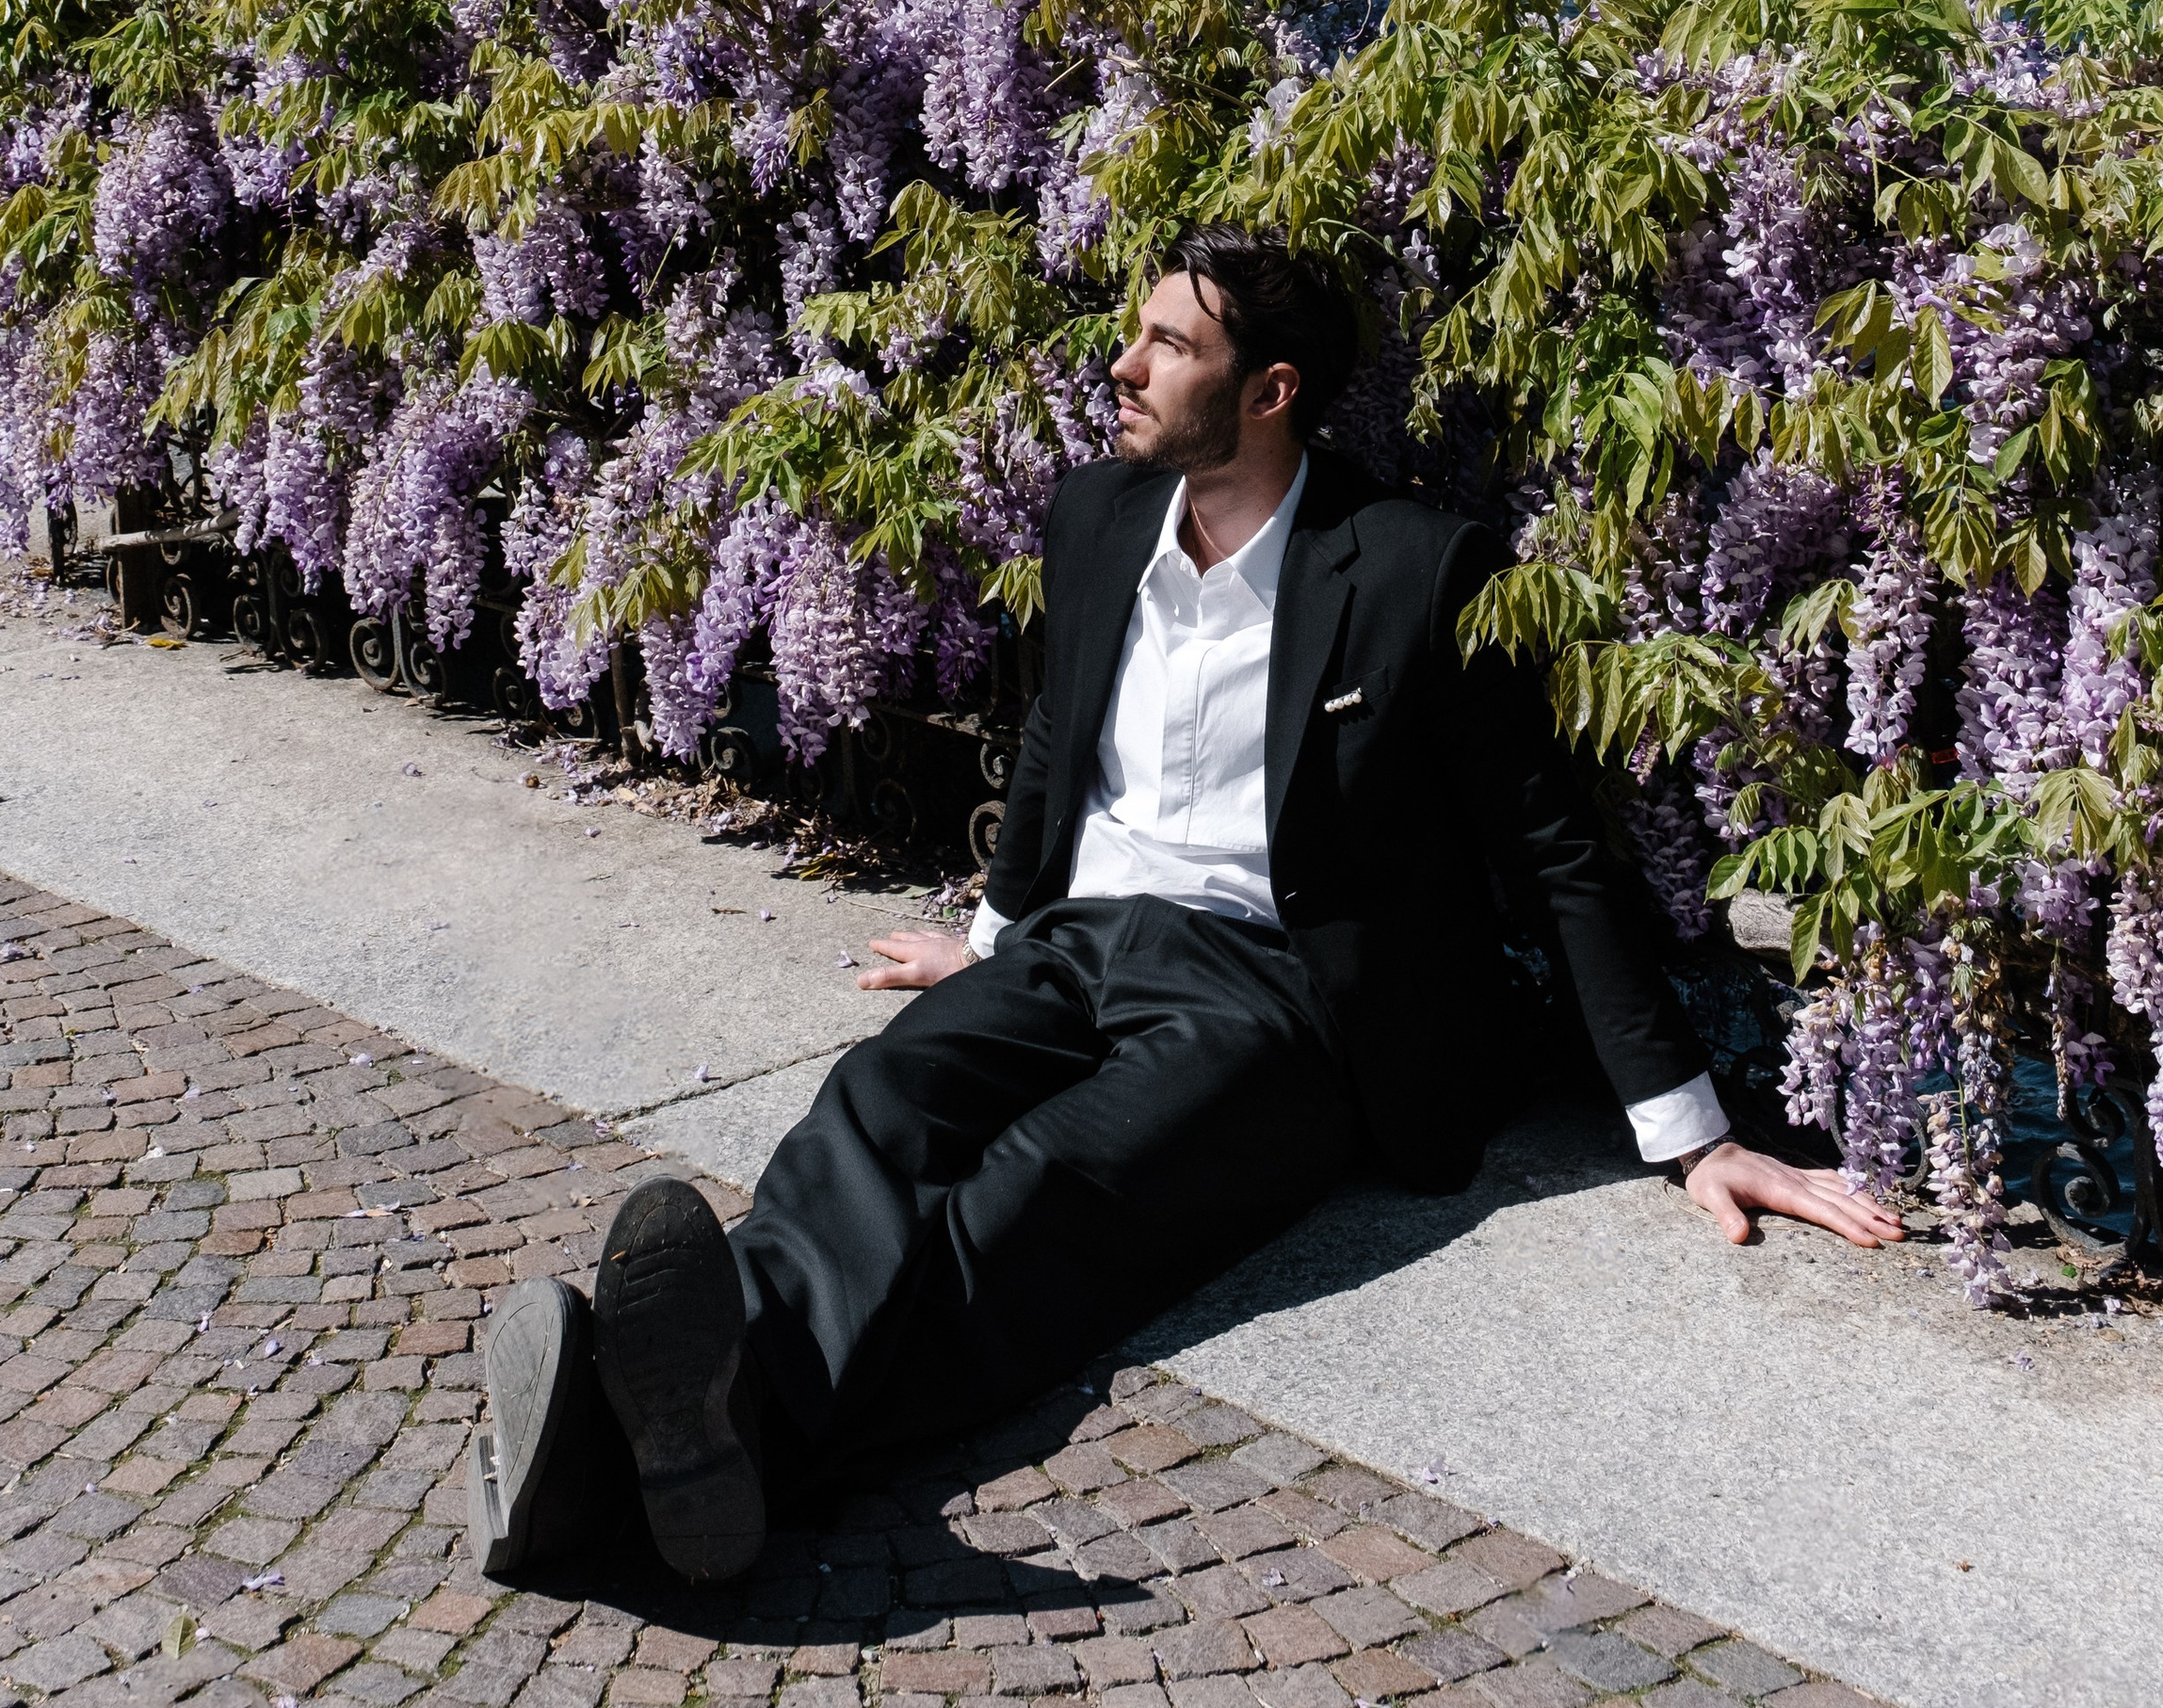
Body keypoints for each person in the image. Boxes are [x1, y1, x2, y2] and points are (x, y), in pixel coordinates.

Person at [468, 231, 1902, 1587]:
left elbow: (1552, 852)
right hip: (1082, 942)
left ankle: (650, 1436)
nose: (1125, 367)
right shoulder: (1097, 516)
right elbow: (1053, 741)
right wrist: (986, 935)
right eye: (1137, 335)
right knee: (876, 1106)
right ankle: (689, 1430)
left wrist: (1690, 1135)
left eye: (1169, 345)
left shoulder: (1409, 566)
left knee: (1039, 1194)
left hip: (1279, 999)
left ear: (1269, 392)